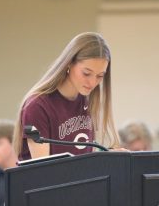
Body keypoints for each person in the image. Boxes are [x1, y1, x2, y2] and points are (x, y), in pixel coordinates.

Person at [13, 32, 121, 160]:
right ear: (69, 63)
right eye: (86, 73)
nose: (92, 83)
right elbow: (42, 170)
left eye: (100, 76)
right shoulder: (37, 106)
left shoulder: (87, 101)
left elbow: (84, 159)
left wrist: (109, 159)